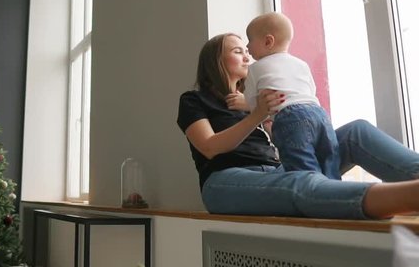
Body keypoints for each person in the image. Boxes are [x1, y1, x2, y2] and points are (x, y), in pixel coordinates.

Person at [177, 32, 419, 219]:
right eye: (237, 51)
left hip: (275, 172)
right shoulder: (193, 99)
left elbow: (282, 138)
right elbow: (208, 146)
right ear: (215, 60)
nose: (247, 56)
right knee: (300, 181)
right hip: (225, 182)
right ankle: (409, 196)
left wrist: (273, 113)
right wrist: (257, 115)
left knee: (356, 132)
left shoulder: (253, 100)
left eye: (246, 50)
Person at [243, 12, 340, 179]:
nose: (247, 47)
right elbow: (311, 90)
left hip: (289, 117)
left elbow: (253, 103)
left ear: (268, 41)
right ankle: (335, 192)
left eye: (250, 40)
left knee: (303, 170)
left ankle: (312, 200)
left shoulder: (255, 68)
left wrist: (261, 116)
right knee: (330, 161)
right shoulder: (301, 63)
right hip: (319, 114)